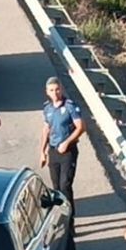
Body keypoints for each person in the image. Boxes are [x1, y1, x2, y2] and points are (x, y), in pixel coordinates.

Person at [38, 77, 85, 210]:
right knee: (56, 188)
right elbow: (46, 129)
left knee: (65, 185)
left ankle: (70, 222)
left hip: (68, 151)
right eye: (52, 90)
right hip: (53, 151)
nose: (55, 93)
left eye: (57, 89)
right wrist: (42, 152)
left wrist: (67, 142)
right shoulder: (47, 108)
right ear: (47, 92)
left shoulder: (70, 106)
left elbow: (81, 127)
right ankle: (60, 217)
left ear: (61, 89)